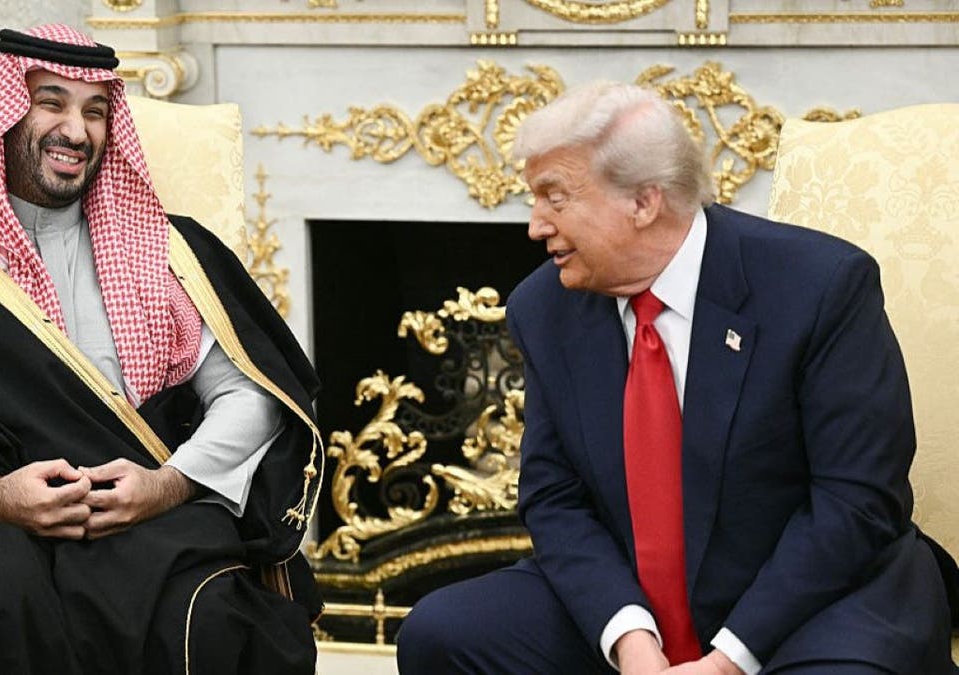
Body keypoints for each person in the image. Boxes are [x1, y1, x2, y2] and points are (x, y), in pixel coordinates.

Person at [0, 24, 323, 674]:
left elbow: (250, 392)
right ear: (8, 111)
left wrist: (167, 484)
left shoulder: (167, 251)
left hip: (137, 510)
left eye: (95, 111)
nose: (76, 130)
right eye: (53, 102)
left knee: (206, 613)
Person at [397, 81, 956, 674]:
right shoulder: (544, 309)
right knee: (441, 634)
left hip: (814, 599)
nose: (535, 225)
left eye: (554, 198)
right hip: (637, 599)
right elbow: (554, 497)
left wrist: (725, 662)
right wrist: (630, 640)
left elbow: (855, 501)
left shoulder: (821, 286)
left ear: (644, 202)